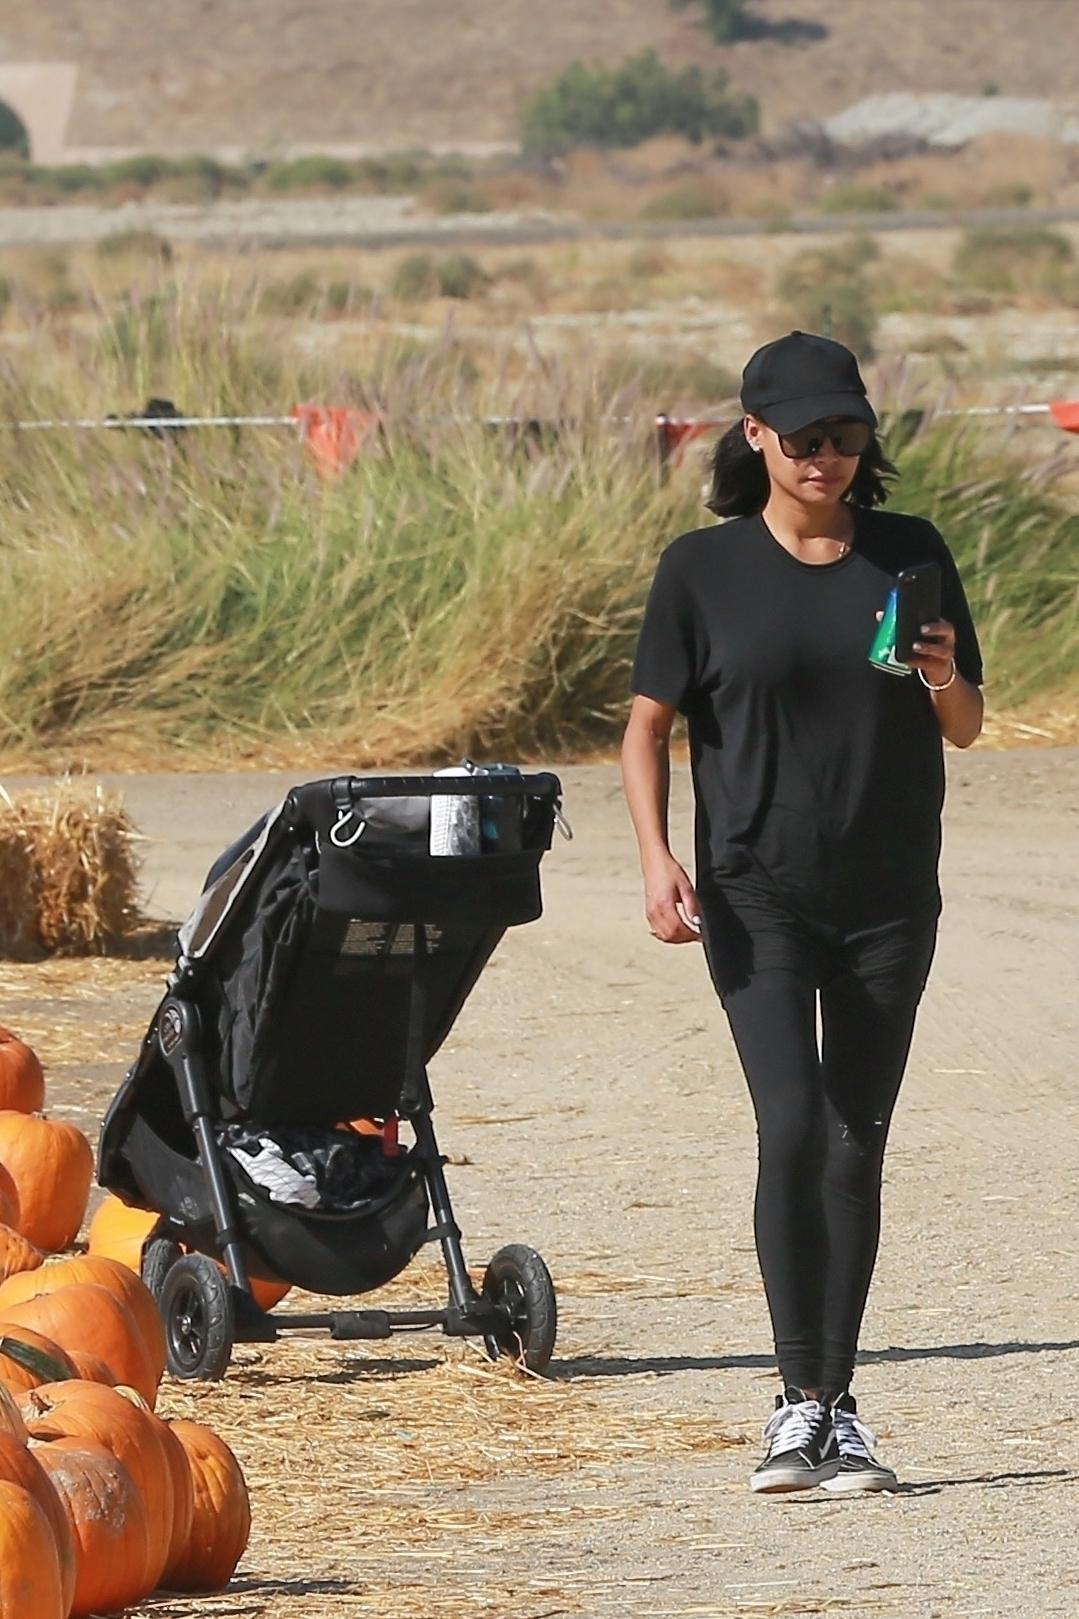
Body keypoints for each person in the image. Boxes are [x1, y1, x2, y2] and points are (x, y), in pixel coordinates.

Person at [621, 331, 983, 1495]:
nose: (828, 455)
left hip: (885, 898)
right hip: (754, 891)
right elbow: (645, 725)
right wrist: (655, 856)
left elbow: (966, 723)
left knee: (852, 1138)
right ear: (756, 437)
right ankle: (792, 1404)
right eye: (806, 436)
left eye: (847, 434)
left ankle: (838, 1406)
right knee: (790, 1123)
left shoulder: (908, 553)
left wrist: (934, 669)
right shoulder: (702, 569)